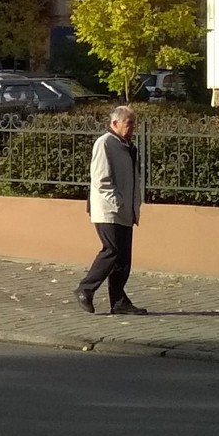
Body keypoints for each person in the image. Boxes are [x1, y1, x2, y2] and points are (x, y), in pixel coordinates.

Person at [77, 104, 147, 315]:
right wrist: (117, 202)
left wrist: (133, 206)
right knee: (112, 251)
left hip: (124, 211)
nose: (132, 128)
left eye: (133, 123)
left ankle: (119, 301)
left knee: (123, 258)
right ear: (114, 123)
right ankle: (85, 289)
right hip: (108, 210)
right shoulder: (105, 143)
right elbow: (101, 179)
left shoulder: (126, 145)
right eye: (128, 123)